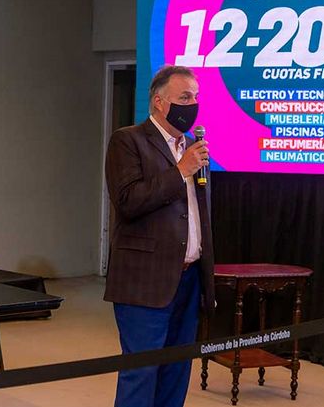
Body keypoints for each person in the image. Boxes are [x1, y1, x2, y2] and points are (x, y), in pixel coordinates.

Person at [104, 65, 215, 407]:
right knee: (141, 372)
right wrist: (180, 171)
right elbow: (128, 201)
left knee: (176, 372)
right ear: (159, 102)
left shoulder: (193, 147)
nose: (192, 104)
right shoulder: (129, 140)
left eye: (196, 97)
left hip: (189, 279)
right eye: (185, 97)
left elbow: (198, 214)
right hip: (145, 280)